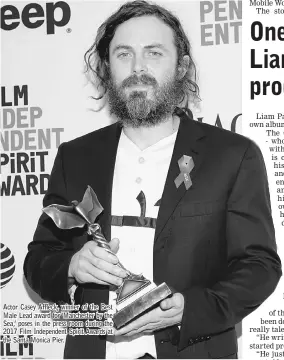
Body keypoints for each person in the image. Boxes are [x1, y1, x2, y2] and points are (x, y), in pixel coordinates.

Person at [24, 1, 282, 359]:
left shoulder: (232, 155)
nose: (138, 67)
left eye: (154, 53)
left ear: (182, 67)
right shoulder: (76, 157)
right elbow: (39, 260)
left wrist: (187, 310)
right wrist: (71, 267)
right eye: (123, 54)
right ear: (106, 67)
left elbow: (259, 266)